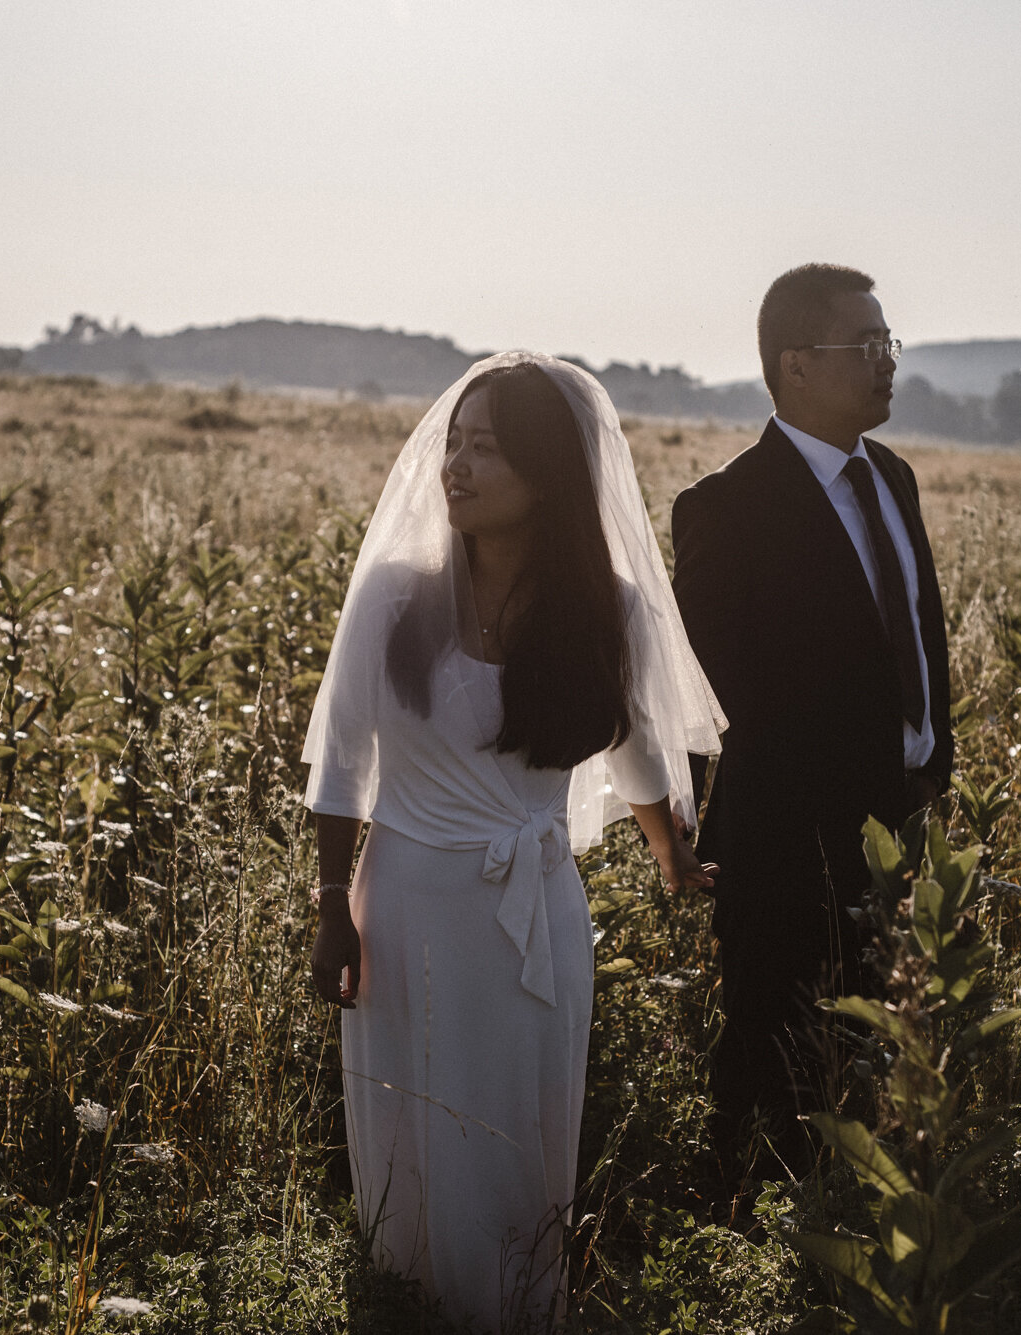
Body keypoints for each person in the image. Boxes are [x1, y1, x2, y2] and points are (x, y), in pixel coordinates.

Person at [302, 352, 725, 1332]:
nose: (455, 465)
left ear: (547, 474)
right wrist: (330, 910)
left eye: (486, 449)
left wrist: (670, 854)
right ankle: (408, 1309)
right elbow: (337, 763)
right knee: (414, 1142)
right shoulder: (394, 599)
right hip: (403, 907)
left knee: (514, 1145)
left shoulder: (604, 610)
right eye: (453, 443)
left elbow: (633, 749)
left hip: (531, 916)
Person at [671, 263, 955, 1185]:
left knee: (876, 1067)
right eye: (865, 347)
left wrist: (927, 781)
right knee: (771, 1067)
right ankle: (739, 1248)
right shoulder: (726, 507)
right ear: (796, 365)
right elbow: (718, 694)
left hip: (899, 829)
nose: (887, 364)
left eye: (889, 344)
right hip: (786, 844)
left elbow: (918, 643)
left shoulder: (897, 480)